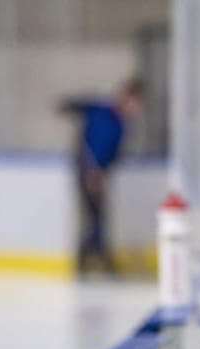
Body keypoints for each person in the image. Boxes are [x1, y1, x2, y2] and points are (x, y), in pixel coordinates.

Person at [58, 77, 143, 275]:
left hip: (100, 175)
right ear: (126, 96)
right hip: (87, 172)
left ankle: (93, 261)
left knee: (98, 217)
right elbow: (78, 106)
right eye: (135, 102)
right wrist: (91, 171)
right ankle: (96, 262)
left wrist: (102, 173)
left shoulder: (121, 124)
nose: (136, 108)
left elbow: (113, 154)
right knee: (94, 217)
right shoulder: (103, 110)